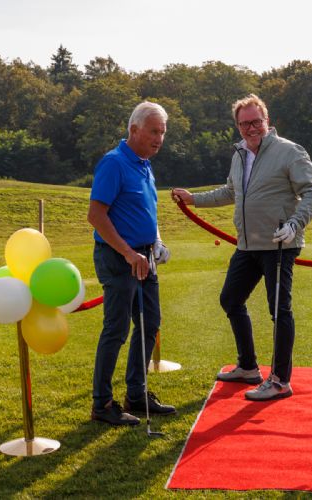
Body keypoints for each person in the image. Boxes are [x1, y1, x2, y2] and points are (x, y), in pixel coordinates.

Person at [171, 94, 312, 401]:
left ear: (267, 121)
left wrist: (294, 224)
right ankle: (249, 367)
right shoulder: (240, 154)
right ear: (238, 126)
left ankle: (280, 380)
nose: (250, 128)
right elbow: (231, 191)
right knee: (230, 299)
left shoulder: (290, 151)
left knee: (279, 311)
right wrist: (194, 199)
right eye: (244, 124)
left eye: (256, 122)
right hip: (247, 244)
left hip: (280, 244)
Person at [87, 101, 176, 426]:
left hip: (144, 256)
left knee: (150, 324)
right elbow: (96, 215)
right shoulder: (113, 163)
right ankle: (102, 404)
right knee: (117, 328)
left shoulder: (144, 165)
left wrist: (157, 241)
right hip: (118, 257)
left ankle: (136, 395)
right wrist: (128, 252)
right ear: (134, 129)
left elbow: (146, 212)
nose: (159, 138)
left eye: (163, 132)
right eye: (154, 131)